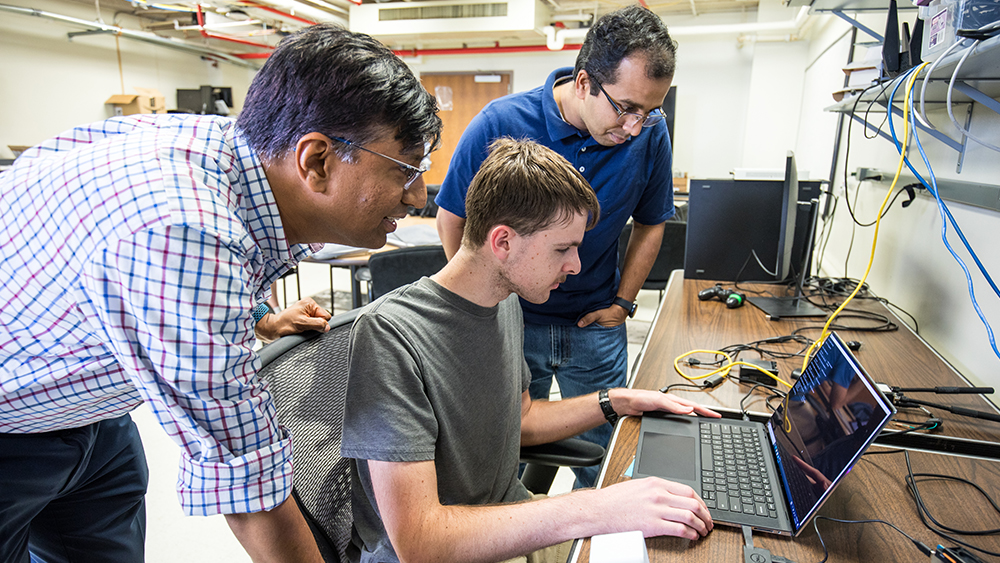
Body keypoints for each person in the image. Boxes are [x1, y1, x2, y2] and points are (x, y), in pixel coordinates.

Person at [0, 24, 441, 563]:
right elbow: (247, 473)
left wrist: (254, 314)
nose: (417, 197)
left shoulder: (228, 151)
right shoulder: (180, 227)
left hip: (93, 411)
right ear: (317, 160)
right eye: (405, 171)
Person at [342, 138, 717, 563]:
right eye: (563, 248)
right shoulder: (390, 336)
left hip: (509, 525)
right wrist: (595, 508)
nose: (575, 265)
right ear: (503, 242)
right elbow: (421, 541)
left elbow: (521, 420)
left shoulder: (505, 301)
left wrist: (615, 401)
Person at [434, 5, 678, 487]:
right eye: (626, 108)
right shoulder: (501, 122)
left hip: (595, 323)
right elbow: (453, 219)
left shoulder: (649, 136)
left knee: (607, 459)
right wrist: (491, 306)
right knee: (509, 453)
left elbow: (652, 223)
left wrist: (622, 304)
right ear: (585, 82)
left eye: (649, 112)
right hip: (516, 324)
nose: (634, 126)